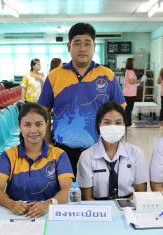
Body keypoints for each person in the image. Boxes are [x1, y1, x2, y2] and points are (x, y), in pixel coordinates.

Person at [38, 22, 126, 176]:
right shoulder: (54, 76)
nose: (82, 48)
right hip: (62, 150)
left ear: (94, 46)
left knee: (97, 194)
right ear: (69, 46)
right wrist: (47, 143)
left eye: (87, 43)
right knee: (65, 194)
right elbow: (43, 111)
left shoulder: (108, 75)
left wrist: (116, 143)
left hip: (99, 148)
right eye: (77, 43)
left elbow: (120, 111)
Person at [0, 103, 74, 218]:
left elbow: (68, 189)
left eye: (38, 124)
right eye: (27, 125)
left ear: (47, 124)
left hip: (49, 213)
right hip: (17, 215)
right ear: (19, 125)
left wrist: (48, 204)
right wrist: (11, 204)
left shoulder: (59, 155)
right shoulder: (8, 156)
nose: (33, 130)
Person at [77, 101, 149, 200]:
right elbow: (87, 198)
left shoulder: (136, 153)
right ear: (99, 125)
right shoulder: (87, 156)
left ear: (124, 125)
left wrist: (124, 208)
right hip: (98, 209)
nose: (113, 127)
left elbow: (141, 192)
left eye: (118, 123)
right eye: (107, 122)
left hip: (129, 206)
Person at [123, 58, 143, 127]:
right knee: (129, 109)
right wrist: (138, 81)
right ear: (131, 63)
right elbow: (131, 81)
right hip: (130, 93)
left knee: (128, 108)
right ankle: (128, 123)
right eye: (133, 62)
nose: (134, 64)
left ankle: (127, 122)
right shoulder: (130, 71)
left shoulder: (127, 71)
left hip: (128, 92)